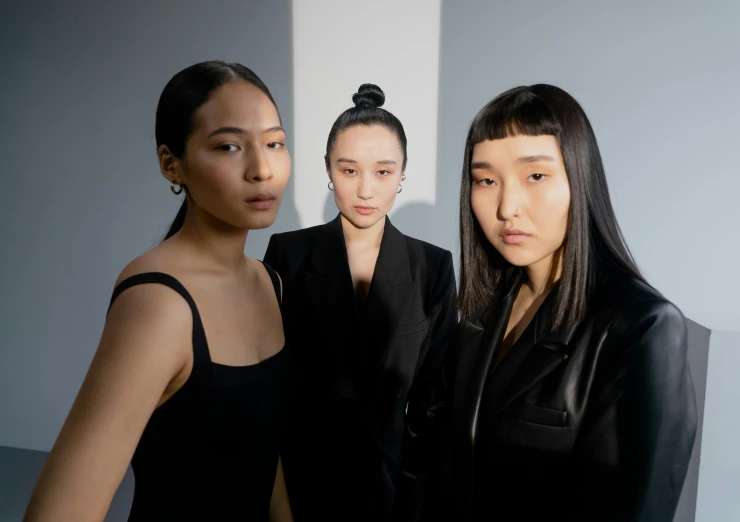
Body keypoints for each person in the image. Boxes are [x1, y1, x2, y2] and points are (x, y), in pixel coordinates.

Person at [24, 61, 294, 522]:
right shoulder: (158, 304)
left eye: (274, 143)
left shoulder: (270, 282)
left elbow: (264, 455)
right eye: (230, 146)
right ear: (172, 164)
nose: (262, 168)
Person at [416, 84, 698, 521]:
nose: (507, 206)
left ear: (578, 179)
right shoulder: (481, 312)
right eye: (486, 180)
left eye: (536, 176)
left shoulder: (642, 327)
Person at [263, 83, 458, 522]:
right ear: (328, 170)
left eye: (383, 172)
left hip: (393, 495)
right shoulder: (287, 256)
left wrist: (415, 495)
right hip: (300, 489)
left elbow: (434, 403)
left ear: (403, 173)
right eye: (349, 171)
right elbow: (267, 388)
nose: (366, 190)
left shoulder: (433, 266)